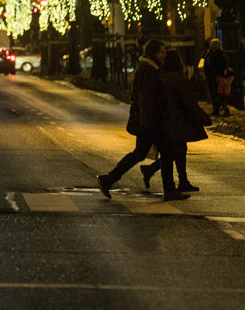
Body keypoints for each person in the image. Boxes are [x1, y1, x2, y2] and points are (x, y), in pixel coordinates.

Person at [98, 39, 190, 202]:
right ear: (154, 53)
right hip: (152, 122)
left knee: (139, 154)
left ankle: (108, 179)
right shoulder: (148, 70)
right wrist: (148, 123)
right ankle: (169, 190)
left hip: (149, 121)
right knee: (168, 152)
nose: (164, 55)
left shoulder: (149, 68)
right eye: (162, 52)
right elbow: (146, 98)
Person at [141, 49, 211, 192]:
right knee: (175, 151)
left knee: (177, 150)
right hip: (177, 120)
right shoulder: (177, 79)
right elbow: (188, 101)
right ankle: (161, 175)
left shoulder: (162, 76)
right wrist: (203, 117)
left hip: (167, 119)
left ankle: (181, 180)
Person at [203, 39, 228, 116]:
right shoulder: (211, 53)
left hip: (215, 76)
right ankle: (218, 109)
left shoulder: (210, 54)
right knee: (216, 93)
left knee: (216, 93)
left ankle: (218, 109)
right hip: (214, 75)